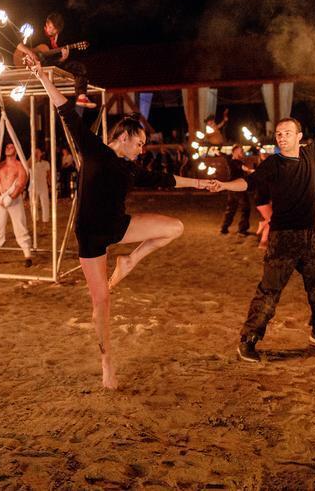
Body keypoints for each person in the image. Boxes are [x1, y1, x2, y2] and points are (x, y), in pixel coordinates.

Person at [30, 60, 209, 389]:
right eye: (139, 143)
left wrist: (199, 183)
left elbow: (164, 179)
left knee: (175, 227)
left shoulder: (131, 168)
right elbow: (66, 112)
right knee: (101, 302)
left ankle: (130, 259)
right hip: (90, 236)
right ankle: (107, 362)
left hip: (119, 226)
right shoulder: (94, 151)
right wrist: (43, 78)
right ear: (123, 136)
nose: (142, 150)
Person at [209, 83, 315, 363]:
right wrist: (224, 185)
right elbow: (247, 183)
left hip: (308, 237)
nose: (281, 137)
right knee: (269, 291)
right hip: (283, 238)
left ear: (299, 136)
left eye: (287, 133)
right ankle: (248, 340)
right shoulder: (273, 164)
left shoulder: (310, 153)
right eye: (278, 134)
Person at [18, 13, 95, 108]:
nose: (50, 30)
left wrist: (63, 58)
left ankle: (81, 96)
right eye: (49, 26)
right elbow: (19, 44)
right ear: (46, 24)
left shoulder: (62, 39)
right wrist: (30, 53)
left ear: (58, 30)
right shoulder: (37, 34)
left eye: (53, 29)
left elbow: (55, 62)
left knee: (79, 67)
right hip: (36, 66)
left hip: (52, 66)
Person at [0, 142, 34, 267]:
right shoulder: (0, 166)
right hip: (2, 199)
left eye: (11, 147)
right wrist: (0, 197)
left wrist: (11, 197)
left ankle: (27, 256)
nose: (8, 148)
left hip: (14, 199)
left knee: (20, 226)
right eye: (7, 147)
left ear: (16, 150)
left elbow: (21, 183)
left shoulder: (19, 166)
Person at [219, 145, 253, 235]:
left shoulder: (230, 160)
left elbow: (223, 154)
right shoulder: (235, 162)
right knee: (246, 208)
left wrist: (216, 151)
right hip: (238, 188)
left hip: (231, 188)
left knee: (231, 208)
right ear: (234, 152)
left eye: (242, 151)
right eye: (240, 151)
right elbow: (242, 167)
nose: (242, 152)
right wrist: (250, 170)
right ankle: (242, 230)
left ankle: (224, 228)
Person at [31, 147, 51, 223]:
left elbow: (49, 175)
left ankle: (45, 220)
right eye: (35, 152)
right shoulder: (31, 163)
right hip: (33, 186)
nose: (36, 153)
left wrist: (50, 185)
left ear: (41, 153)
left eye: (38, 152)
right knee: (34, 204)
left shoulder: (46, 163)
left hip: (43, 186)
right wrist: (33, 157)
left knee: (45, 203)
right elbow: (27, 165)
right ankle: (35, 220)